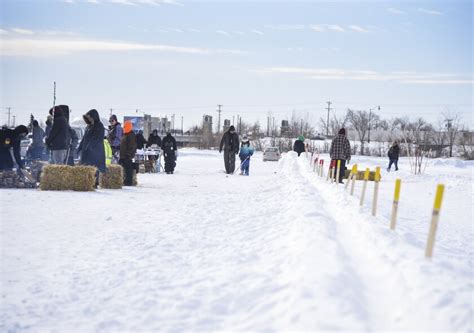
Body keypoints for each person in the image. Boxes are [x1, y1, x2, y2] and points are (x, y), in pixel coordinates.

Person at [77, 109, 106, 186]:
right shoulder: (88, 126)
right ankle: (87, 182)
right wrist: (80, 148)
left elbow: (96, 138)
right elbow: (84, 138)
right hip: (87, 151)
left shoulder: (99, 125)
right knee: (86, 166)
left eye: (90, 117)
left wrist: (89, 147)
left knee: (94, 167)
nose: (89, 119)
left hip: (95, 151)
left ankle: (94, 183)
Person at [119, 121, 137, 185]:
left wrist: (128, 154)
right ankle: (122, 181)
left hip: (127, 156)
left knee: (128, 169)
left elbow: (132, 146)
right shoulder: (125, 135)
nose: (124, 128)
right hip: (122, 155)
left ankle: (128, 182)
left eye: (125, 127)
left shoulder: (131, 135)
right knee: (122, 168)